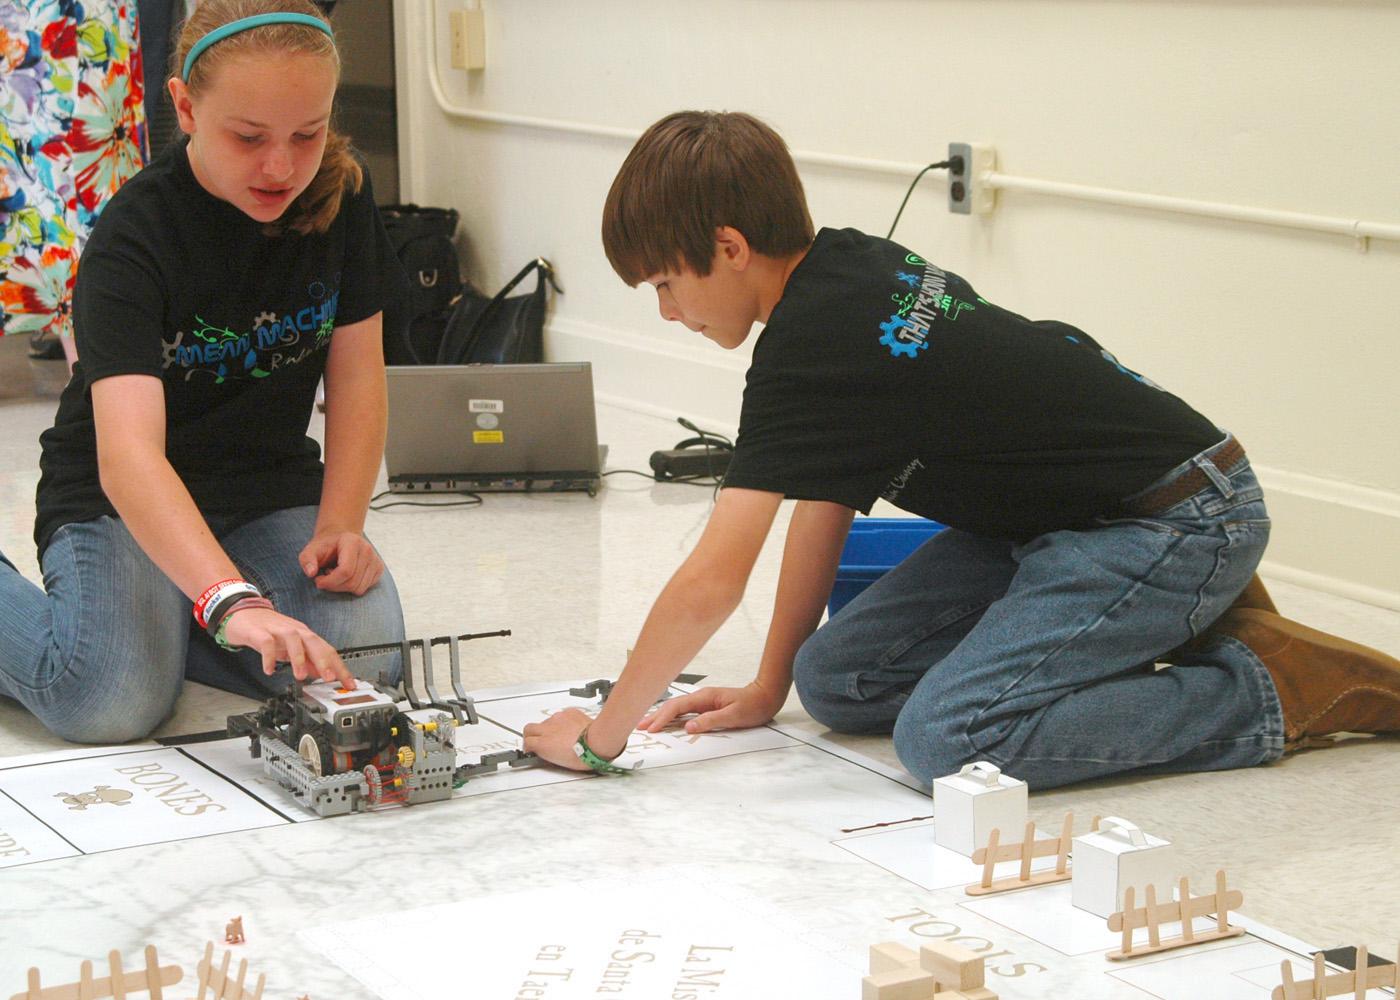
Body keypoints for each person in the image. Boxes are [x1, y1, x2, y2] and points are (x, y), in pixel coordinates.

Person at [523, 110, 1400, 789]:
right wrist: (768, 685)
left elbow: (714, 579)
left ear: (729, 247)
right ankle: (1161, 624)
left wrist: (601, 742)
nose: (668, 313)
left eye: (667, 285)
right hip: (1069, 520)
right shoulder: (844, 269)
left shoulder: (809, 344)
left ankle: (1265, 689)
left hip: (1176, 518)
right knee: (836, 682)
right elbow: (823, 499)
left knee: (949, 741)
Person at [0, 0, 405, 744]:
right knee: (109, 699)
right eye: (248, 138)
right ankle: (180, 609)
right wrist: (229, 598)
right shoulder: (134, 237)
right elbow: (127, 460)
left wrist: (342, 523)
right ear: (184, 106)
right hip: (119, 503)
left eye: (307, 134)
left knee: (366, 670)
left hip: (263, 492)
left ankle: (175, 614)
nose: (281, 165)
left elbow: (356, 380)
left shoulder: (343, 197)